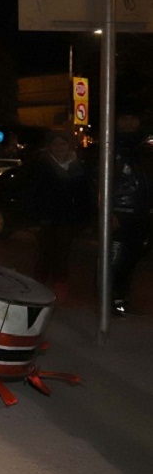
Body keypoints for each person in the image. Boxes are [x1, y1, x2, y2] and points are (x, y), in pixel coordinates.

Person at [26, 130, 92, 301]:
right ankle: (37, 289)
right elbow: (33, 193)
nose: (59, 147)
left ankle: (60, 287)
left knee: (63, 254)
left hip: (67, 218)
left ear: (69, 145)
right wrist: (34, 217)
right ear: (50, 147)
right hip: (46, 218)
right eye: (55, 144)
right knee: (45, 253)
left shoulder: (78, 166)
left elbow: (84, 195)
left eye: (63, 143)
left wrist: (84, 217)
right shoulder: (42, 165)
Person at [110, 102, 150, 316]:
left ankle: (121, 299)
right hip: (119, 213)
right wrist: (108, 211)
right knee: (113, 260)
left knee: (131, 260)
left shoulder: (144, 147)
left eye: (132, 118)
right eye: (124, 117)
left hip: (141, 213)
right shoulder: (110, 145)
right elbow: (99, 182)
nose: (128, 122)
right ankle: (110, 301)